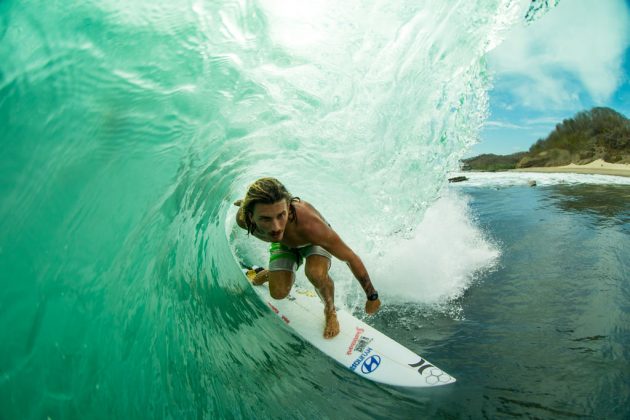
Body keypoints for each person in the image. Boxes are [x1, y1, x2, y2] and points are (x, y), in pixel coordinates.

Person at [234, 177, 381, 339]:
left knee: (316, 274)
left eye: (281, 215)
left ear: (288, 208)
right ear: (250, 215)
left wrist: (372, 296)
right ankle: (271, 274)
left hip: (312, 242)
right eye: (265, 218)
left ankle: (330, 312)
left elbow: (350, 258)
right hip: (284, 245)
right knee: (278, 293)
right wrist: (245, 204)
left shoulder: (311, 225)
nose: (276, 227)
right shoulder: (243, 220)